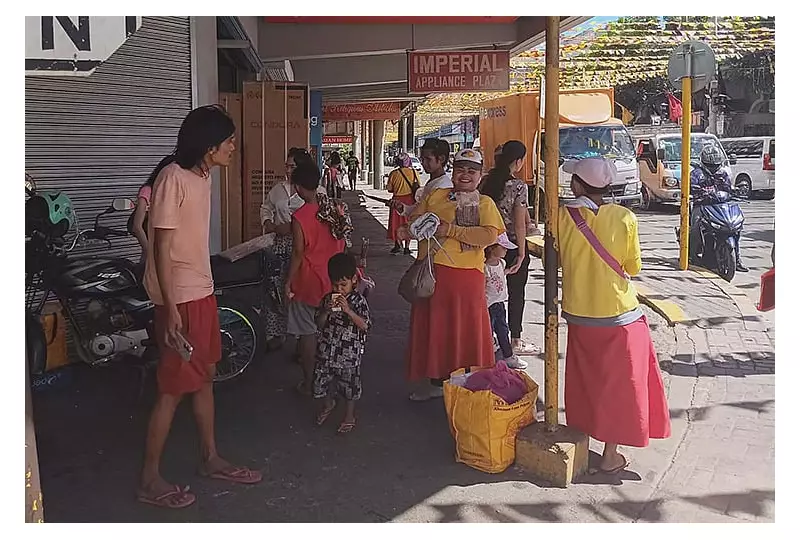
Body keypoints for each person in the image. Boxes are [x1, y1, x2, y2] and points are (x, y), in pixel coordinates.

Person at [138, 105, 262, 510]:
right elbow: (161, 246)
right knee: (172, 390)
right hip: (181, 298)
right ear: (209, 146)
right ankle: (149, 478)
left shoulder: (202, 176)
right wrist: (171, 308)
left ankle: (210, 458)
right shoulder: (172, 177)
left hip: (201, 292)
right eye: (228, 142)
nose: (233, 148)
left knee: (206, 375)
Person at [555, 156, 670, 474]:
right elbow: (633, 267)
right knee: (619, 386)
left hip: (578, 314)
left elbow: (559, 256)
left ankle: (585, 439)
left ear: (577, 184)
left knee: (585, 381)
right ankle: (609, 455)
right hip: (619, 315)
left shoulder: (563, 217)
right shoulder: (624, 217)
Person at [398, 148, 505, 401]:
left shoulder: (485, 203)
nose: (465, 175)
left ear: (480, 176)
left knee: (464, 331)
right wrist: (408, 230)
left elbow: (488, 236)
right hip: (432, 274)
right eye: (460, 169)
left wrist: (450, 230)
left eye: (472, 171)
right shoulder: (436, 196)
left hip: (466, 278)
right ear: (452, 171)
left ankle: (466, 383)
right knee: (435, 330)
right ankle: (437, 381)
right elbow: (416, 221)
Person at [286, 161, 347, 396]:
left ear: (299, 188)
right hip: (335, 280)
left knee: (307, 332)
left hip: (308, 282)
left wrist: (288, 281)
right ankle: (336, 382)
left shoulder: (300, 216)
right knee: (334, 332)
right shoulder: (334, 209)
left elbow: (298, 253)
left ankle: (311, 382)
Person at [480, 140, 537, 358]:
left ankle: (487, 336)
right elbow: (520, 222)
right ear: (519, 161)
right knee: (515, 293)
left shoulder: (485, 182)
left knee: (488, 293)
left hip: (487, 245)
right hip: (510, 246)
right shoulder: (518, 186)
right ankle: (515, 339)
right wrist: (522, 253)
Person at [260, 147, 313, 350]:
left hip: (304, 246)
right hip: (280, 245)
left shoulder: (314, 190)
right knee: (275, 289)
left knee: (299, 291)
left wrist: (292, 227)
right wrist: (270, 224)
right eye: (287, 166)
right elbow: (266, 208)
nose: (288, 170)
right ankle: (275, 333)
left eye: (292, 166)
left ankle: (301, 338)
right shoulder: (278, 189)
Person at [313, 253, 372, 434]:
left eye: (343, 285)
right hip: (327, 350)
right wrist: (326, 312)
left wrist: (348, 311)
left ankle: (349, 415)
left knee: (350, 386)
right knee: (321, 381)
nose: (339, 289)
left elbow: (366, 325)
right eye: (335, 285)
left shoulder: (359, 301)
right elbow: (319, 324)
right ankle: (328, 403)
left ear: (354, 280)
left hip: (349, 353)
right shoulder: (327, 299)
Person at [689, 145, 748, 272]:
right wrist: (699, 192)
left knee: (736, 227)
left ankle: (737, 259)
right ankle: (692, 255)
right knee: (695, 226)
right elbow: (692, 187)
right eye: (710, 165)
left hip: (721, 204)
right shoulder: (696, 173)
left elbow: (728, 187)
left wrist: (736, 190)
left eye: (715, 165)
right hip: (702, 205)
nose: (713, 168)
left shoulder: (723, 173)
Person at [484, 232, 524, 368]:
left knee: (503, 330)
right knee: (488, 333)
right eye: (503, 247)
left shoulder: (502, 263)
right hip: (488, 305)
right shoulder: (485, 267)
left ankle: (507, 355)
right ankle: (488, 357)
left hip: (500, 303)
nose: (506, 250)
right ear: (491, 248)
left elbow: (501, 274)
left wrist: (508, 271)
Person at [396, 138, 453, 218]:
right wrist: (403, 208)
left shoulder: (443, 186)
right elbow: (420, 209)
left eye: (428, 159)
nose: (423, 163)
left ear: (441, 159)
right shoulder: (432, 182)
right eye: (422, 159)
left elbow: (430, 217)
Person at [386, 153, 419, 255]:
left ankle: (397, 245)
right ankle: (407, 247)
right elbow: (418, 187)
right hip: (410, 200)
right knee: (408, 223)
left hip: (396, 202)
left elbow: (389, 189)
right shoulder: (414, 172)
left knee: (395, 224)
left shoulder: (393, 174)